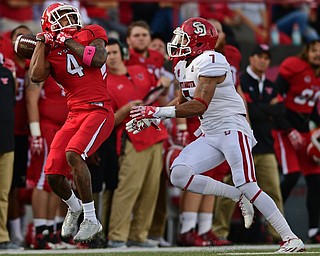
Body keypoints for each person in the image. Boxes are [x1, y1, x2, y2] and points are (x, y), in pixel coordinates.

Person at [126, 17, 306, 253]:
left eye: (185, 38)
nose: (177, 42)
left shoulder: (213, 60)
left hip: (232, 127)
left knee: (249, 184)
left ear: (199, 43)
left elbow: (200, 104)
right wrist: (153, 117)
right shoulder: (183, 64)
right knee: (178, 174)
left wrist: (157, 110)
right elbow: (183, 99)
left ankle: (291, 238)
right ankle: (235, 196)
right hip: (210, 132)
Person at [29, 2, 114, 243]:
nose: (68, 22)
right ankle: (74, 207)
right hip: (74, 114)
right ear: (50, 24)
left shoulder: (92, 31)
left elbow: (97, 59)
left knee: (73, 154)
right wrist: (41, 43)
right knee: (53, 173)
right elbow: (35, 76)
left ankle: (90, 218)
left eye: (69, 17)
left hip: (98, 109)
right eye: (62, 20)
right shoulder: (48, 47)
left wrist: (66, 40)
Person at [177, 19, 241, 247]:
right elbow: (183, 98)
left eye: (221, 29)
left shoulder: (227, 57)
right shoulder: (190, 60)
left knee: (212, 177)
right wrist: (182, 127)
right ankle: (188, 228)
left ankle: (204, 229)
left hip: (223, 123)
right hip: (201, 121)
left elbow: (237, 92)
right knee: (195, 174)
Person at [214, 44, 285, 244]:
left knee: (273, 190)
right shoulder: (240, 81)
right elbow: (248, 111)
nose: (263, 60)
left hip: (265, 146)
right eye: (259, 56)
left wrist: (258, 108)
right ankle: (219, 232)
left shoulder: (271, 84)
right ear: (251, 58)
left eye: (266, 57)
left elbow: (280, 111)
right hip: (238, 142)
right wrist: (265, 109)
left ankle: (277, 234)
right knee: (230, 188)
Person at [106, 38, 169, 248]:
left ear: (122, 53)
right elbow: (108, 121)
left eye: (114, 52)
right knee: (128, 188)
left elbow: (157, 96)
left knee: (151, 189)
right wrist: (125, 110)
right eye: (107, 54)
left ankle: (138, 234)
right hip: (131, 138)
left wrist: (164, 88)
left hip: (155, 135)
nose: (111, 57)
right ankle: (117, 235)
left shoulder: (140, 69)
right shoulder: (104, 83)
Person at [273, 39, 320, 243]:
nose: (318, 54)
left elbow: (311, 110)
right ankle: (272, 223)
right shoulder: (294, 66)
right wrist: (288, 128)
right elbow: (275, 100)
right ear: (307, 51)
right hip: (284, 128)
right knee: (291, 176)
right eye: (315, 49)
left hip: (304, 130)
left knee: (316, 181)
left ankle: (313, 230)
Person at [25, 75, 71, 249]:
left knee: (57, 178)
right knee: (43, 179)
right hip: (47, 127)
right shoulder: (43, 65)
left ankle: (50, 230)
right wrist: (35, 132)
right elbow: (31, 96)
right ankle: (40, 231)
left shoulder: (65, 65)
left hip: (64, 128)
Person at [0, 53, 23, 251]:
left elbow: (11, 105)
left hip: (7, 142)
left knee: (4, 193)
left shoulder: (7, 72)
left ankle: (2, 237)